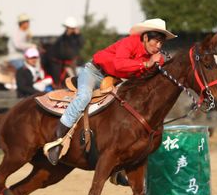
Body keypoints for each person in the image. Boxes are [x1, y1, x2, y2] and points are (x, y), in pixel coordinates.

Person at [45, 18, 175, 165]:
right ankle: (57, 140)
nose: (158, 46)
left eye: (161, 43)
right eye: (155, 41)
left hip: (114, 79)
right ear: (145, 37)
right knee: (84, 97)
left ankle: (119, 158)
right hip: (94, 72)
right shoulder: (130, 42)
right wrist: (146, 63)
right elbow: (119, 64)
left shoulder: (157, 58)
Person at [49, 17, 84, 86]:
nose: (69, 30)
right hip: (60, 64)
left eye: (70, 28)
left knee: (73, 80)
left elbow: (81, 44)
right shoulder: (62, 38)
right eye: (68, 28)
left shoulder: (76, 37)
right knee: (59, 82)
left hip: (71, 63)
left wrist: (78, 35)